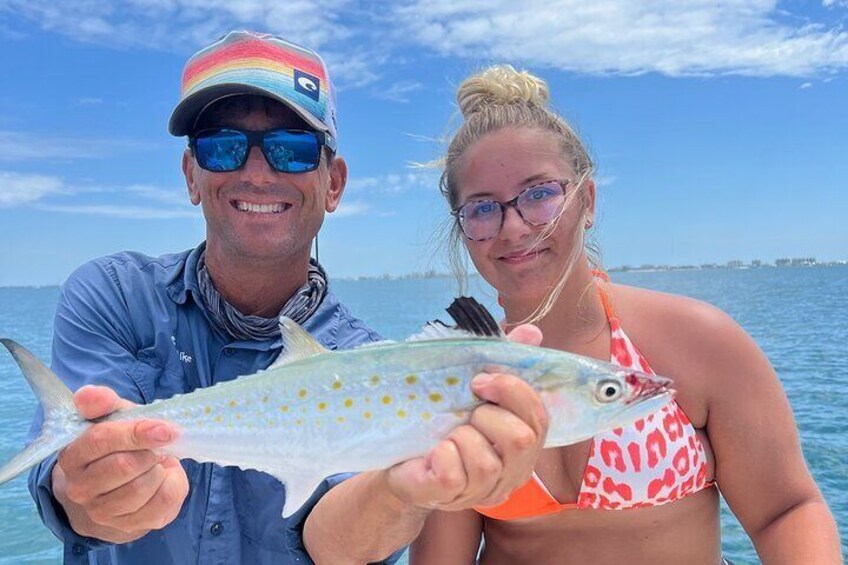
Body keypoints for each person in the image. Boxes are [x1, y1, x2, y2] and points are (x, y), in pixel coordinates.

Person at [27, 33, 548, 564]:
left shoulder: (369, 364)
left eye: (292, 150)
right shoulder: (112, 296)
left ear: (334, 185)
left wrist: (401, 489)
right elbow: (73, 493)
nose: (257, 174)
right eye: (222, 146)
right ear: (191, 174)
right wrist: (87, 492)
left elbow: (335, 541)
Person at [410, 65, 842, 564]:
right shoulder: (459, 378)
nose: (513, 227)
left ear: (586, 200)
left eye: (539, 195)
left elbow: (786, 510)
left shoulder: (697, 341)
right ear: (463, 228)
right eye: (482, 208)